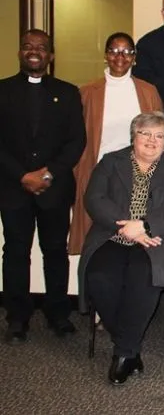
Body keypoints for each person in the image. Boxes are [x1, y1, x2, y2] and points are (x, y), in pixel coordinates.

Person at [77, 112, 164, 385]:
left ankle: (123, 353)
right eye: (146, 134)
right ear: (134, 136)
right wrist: (125, 227)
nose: (152, 141)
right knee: (99, 278)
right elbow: (94, 198)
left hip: (159, 238)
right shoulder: (111, 162)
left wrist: (145, 227)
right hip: (113, 234)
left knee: (144, 278)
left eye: (159, 136)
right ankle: (129, 348)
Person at [0, 29, 86, 343]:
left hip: (55, 188)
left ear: (50, 55)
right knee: (15, 252)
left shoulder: (67, 92)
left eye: (41, 47)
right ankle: (17, 317)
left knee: (54, 251)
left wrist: (48, 174)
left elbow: (77, 141)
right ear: (20, 52)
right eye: (28, 46)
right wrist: (22, 175)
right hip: (12, 187)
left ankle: (58, 313)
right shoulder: (3, 90)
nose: (34, 51)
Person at [70, 32, 163, 256]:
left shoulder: (147, 91)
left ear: (134, 57)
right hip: (99, 173)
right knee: (99, 238)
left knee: (134, 237)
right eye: (113, 50)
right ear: (105, 55)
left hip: (139, 174)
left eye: (126, 51)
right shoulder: (87, 93)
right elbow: (75, 137)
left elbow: (159, 133)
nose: (119, 56)